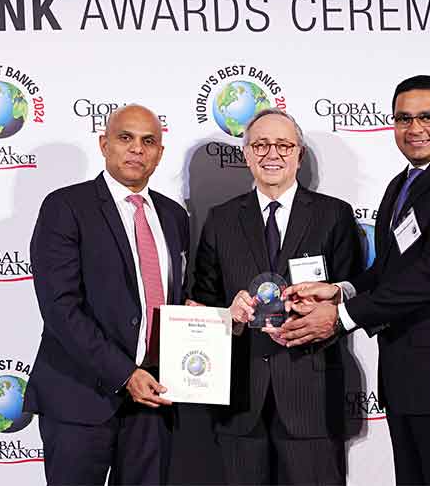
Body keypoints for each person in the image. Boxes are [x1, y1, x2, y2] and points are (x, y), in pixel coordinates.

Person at [279, 75, 430, 486]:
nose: (414, 128)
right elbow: (389, 271)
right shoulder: (401, 185)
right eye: (403, 118)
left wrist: (341, 317)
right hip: (406, 378)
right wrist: (340, 290)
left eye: (427, 117)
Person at [192, 108, 363, 485]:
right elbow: (200, 304)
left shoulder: (333, 215)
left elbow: (357, 294)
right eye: (261, 145)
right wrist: (228, 315)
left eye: (284, 145)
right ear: (246, 154)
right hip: (239, 400)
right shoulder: (220, 219)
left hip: (312, 397)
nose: (272, 154)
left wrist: (326, 308)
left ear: (299, 155)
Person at [23, 104, 189, 485]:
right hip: (79, 398)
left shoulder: (174, 216)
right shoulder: (66, 206)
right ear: (104, 144)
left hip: (152, 400)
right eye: (125, 138)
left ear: (160, 153)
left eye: (148, 141)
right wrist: (125, 373)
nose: (137, 149)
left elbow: (173, 298)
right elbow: (60, 308)